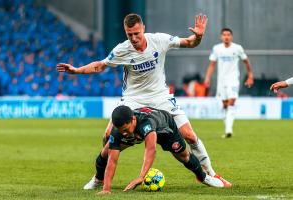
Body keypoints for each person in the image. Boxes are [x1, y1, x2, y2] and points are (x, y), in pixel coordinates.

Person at [57, 13, 231, 189]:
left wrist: (199, 35)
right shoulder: (122, 50)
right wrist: (77, 70)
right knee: (108, 136)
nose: (133, 38)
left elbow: (190, 42)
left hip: (160, 96)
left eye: (136, 33)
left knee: (189, 136)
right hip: (133, 99)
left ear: (143, 29)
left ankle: (210, 173)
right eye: (129, 34)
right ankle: (99, 178)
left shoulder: (160, 40)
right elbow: (100, 65)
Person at [98, 106, 227, 195]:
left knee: (183, 156)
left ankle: (203, 177)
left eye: (126, 130)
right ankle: (98, 180)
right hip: (139, 132)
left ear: (133, 119)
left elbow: (151, 150)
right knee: (107, 151)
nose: (124, 134)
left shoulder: (146, 123)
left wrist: (141, 177)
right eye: (121, 131)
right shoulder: (119, 131)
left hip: (165, 128)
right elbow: (112, 160)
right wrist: (106, 189)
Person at [204, 28, 254, 138]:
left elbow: (246, 61)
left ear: (231, 36)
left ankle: (228, 130)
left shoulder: (237, 48)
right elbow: (212, 64)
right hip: (221, 81)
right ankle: (227, 128)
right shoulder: (217, 49)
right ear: (221, 37)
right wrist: (207, 78)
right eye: (224, 35)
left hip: (233, 79)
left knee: (232, 101)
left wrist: (250, 75)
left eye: (228, 35)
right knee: (225, 104)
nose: (226, 37)